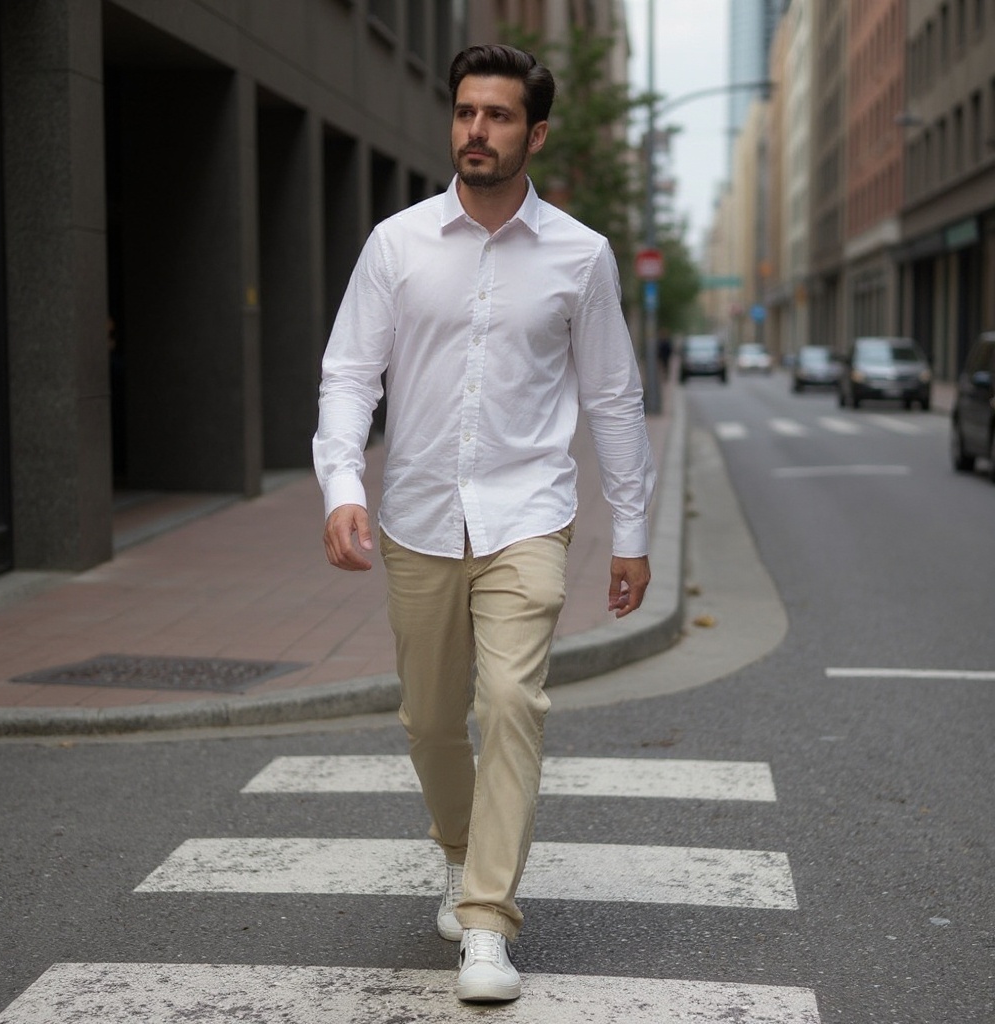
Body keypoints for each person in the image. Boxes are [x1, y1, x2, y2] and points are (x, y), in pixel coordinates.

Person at [313, 43, 656, 1004]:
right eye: (466, 112)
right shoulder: (397, 244)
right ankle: (462, 852)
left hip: (528, 514)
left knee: (511, 701)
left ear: (533, 134)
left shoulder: (581, 256)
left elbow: (614, 396)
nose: (476, 129)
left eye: (498, 116)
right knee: (429, 718)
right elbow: (350, 373)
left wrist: (631, 533)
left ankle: (488, 922)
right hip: (418, 515)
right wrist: (341, 484)